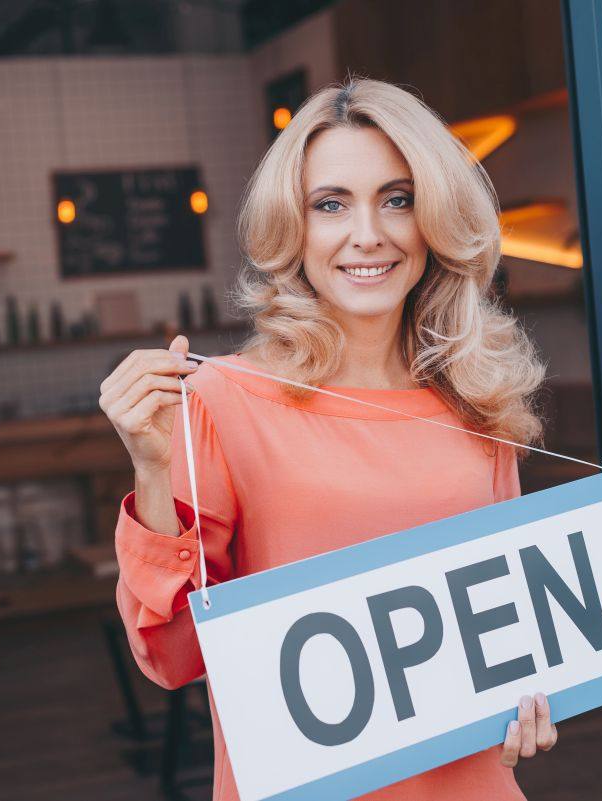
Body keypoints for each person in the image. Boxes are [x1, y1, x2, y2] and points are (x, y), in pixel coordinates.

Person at [99, 76, 555, 800]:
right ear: (295, 228)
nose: (367, 234)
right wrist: (153, 472)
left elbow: (511, 643)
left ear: (432, 216)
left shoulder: (479, 400)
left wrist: (534, 697)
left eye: (397, 199)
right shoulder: (225, 402)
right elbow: (173, 655)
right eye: (331, 204)